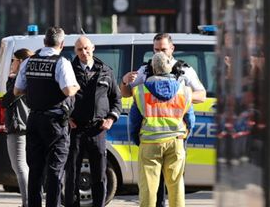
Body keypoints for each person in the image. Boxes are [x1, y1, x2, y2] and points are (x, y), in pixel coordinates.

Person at [119, 33, 206, 207]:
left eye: (163, 49)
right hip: (175, 136)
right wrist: (124, 81)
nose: (159, 53)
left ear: (172, 49)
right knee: (172, 186)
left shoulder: (184, 70)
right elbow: (127, 93)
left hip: (154, 139)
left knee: (151, 186)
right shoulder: (145, 69)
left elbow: (202, 95)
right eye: (156, 49)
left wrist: (178, 96)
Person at [14, 27, 80, 207]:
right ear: (62, 44)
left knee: (35, 170)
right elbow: (68, 90)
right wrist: (76, 87)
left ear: (44, 42)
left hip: (34, 120)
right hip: (55, 123)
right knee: (55, 170)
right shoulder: (61, 62)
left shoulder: (29, 61)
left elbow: (17, 90)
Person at [128, 52, 194, 207]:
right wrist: (184, 136)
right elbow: (190, 119)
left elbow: (133, 122)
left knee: (149, 187)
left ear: (152, 68)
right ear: (170, 67)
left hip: (150, 142)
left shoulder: (140, 91)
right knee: (176, 184)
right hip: (176, 141)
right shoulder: (184, 90)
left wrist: (137, 140)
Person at [65, 37, 122, 207]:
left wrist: (111, 118)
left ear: (93, 48)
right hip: (75, 129)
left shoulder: (105, 70)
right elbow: (59, 98)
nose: (84, 52)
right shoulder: (68, 70)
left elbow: (116, 100)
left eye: (86, 48)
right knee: (72, 173)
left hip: (97, 130)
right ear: (75, 51)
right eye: (80, 50)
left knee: (99, 174)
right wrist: (66, 117)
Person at [2, 48, 32, 207]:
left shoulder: (18, 80)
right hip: (30, 125)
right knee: (26, 166)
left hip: (18, 125)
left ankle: (27, 203)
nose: (11, 63)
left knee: (20, 167)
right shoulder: (32, 78)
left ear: (20, 62)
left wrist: (10, 81)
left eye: (13, 60)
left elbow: (6, 101)